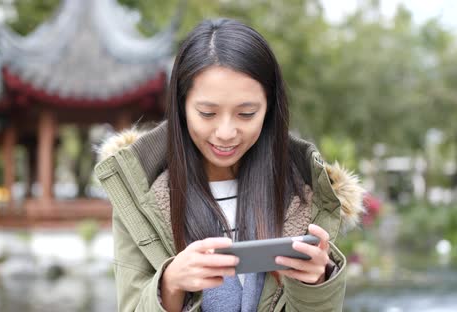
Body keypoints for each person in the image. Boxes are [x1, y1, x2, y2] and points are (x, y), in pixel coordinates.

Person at [95, 18, 365, 312]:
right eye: (207, 113)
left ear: (270, 109)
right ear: (181, 107)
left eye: (246, 114)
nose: (225, 133)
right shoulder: (138, 195)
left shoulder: (306, 193)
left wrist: (316, 284)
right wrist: (170, 284)